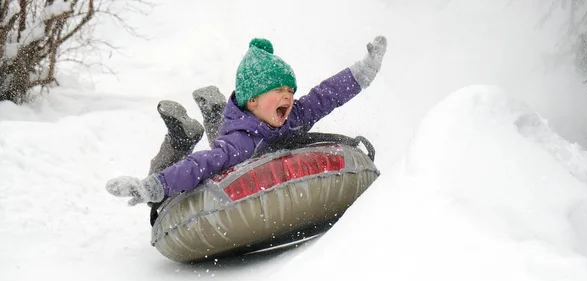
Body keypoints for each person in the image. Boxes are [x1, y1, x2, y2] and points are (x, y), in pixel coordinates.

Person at [106, 35, 388, 206]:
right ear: (252, 100)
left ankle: (213, 110)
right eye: (279, 90)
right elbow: (198, 165)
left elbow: (325, 96)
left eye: (290, 91)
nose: (288, 97)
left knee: (226, 143)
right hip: (231, 142)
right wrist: (153, 186)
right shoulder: (238, 142)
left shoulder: (295, 118)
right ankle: (180, 138)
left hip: (240, 129)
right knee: (202, 167)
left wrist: (362, 73)